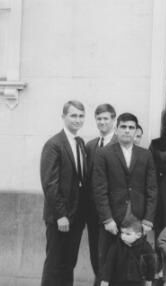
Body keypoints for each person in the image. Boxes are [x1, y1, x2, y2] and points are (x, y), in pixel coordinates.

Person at [93, 112, 158, 284]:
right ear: (116, 129)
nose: (127, 131)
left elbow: (152, 189)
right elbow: (99, 190)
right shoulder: (103, 154)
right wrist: (107, 219)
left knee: (135, 269)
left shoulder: (145, 155)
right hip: (113, 219)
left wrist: (148, 220)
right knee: (108, 266)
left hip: (138, 220)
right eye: (123, 127)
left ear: (136, 130)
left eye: (131, 127)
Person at [40, 100, 87, 286]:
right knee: (54, 264)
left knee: (69, 263)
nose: (77, 120)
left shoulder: (79, 142)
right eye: (73, 115)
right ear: (63, 117)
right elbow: (50, 184)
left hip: (76, 216)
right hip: (60, 217)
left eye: (81, 116)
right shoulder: (54, 144)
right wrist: (61, 215)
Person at [85, 103, 117, 285]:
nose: (102, 122)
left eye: (106, 118)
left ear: (113, 120)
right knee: (95, 252)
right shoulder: (90, 146)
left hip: (112, 211)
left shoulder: (120, 144)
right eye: (99, 119)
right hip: (92, 211)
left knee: (109, 254)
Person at [99, 211, 155, 286]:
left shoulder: (145, 247)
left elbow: (151, 264)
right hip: (118, 281)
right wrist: (105, 280)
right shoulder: (116, 245)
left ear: (138, 235)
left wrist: (149, 280)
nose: (123, 236)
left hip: (138, 281)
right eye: (122, 233)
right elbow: (109, 262)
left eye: (128, 234)